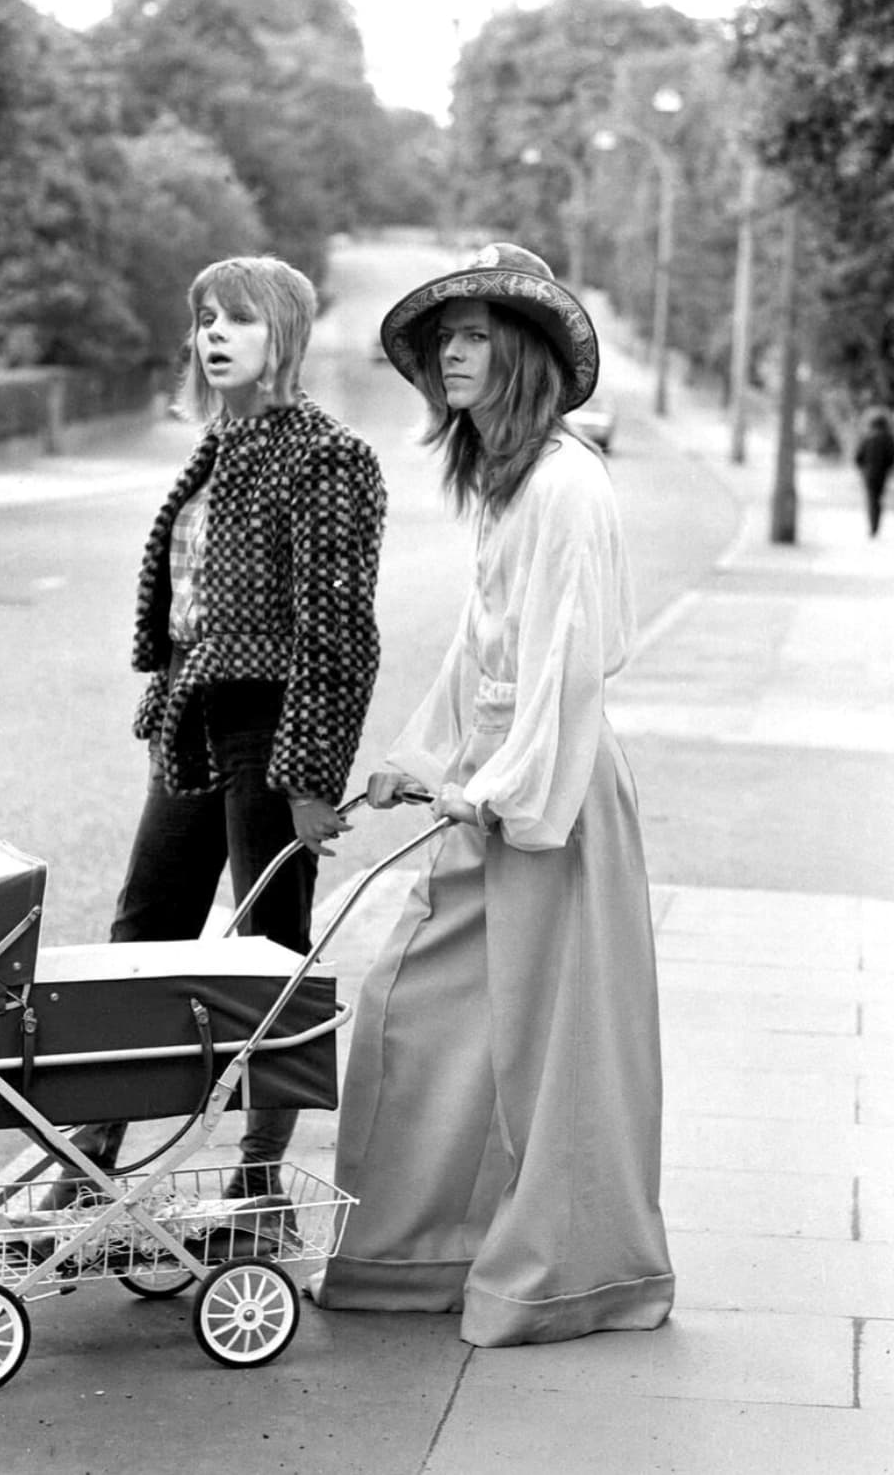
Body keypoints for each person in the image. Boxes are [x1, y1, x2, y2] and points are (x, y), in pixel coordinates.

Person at [310, 243, 674, 1347]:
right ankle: (417, 1257)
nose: (448, 356)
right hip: (497, 792)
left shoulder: (566, 483)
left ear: (518, 352)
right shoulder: (509, 485)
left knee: (555, 1054)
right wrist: (415, 766)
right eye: (442, 340)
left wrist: (498, 794)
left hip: (546, 805)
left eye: (470, 336)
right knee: (417, 1015)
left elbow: (570, 665)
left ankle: (566, 1277)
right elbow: (482, 656)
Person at [40, 254, 386, 1209]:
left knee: (267, 952)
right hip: (193, 719)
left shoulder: (329, 456)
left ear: (286, 334)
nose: (215, 335)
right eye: (204, 319)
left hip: (273, 726)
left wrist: (313, 774)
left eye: (238, 318)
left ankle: (259, 1181)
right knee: (143, 929)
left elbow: (339, 629)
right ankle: (90, 1153)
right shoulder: (219, 448)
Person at [854, 409, 894, 537]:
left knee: (871, 499)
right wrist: (887, 468)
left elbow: (858, 457)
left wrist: (863, 469)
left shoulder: (867, 438)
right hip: (882, 474)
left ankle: (873, 526)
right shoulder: (888, 439)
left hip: (869, 473)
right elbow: (891, 457)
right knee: (878, 499)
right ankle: (876, 525)